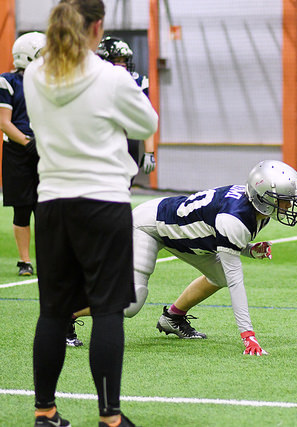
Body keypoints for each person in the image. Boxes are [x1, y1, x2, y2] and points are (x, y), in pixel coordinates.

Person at [23, 0, 158, 425]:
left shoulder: (33, 74)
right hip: (103, 204)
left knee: (52, 311)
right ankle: (110, 418)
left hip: (52, 205)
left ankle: (45, 412)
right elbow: (147, 125)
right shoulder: (112, 77)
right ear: (97, 28)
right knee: (106, 310)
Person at [128, 160, 297, 356]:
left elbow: (222, 236)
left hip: (183, 236)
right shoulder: (235, 218)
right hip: (149, 226)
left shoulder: (256, 209)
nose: (289, 205)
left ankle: (172, 318)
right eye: (284, 199)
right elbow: (236, 281)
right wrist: (248, 336)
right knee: (132, 304)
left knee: (220, 277)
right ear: (263, 197)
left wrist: (249, 250)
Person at [0, 32, 45, 277]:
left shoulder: (48, 81)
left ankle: (50, 258)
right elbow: (4, 122)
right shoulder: (8, 81)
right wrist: (28, 143)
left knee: (47, 208)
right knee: (22, 208)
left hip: (45, 149)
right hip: (18, 152)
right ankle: (24, 261)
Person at [97, 36, 156, 176]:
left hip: (128, 140)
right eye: (117, 60)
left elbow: (145, 118)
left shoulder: (136, 81)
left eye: (124, 60)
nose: (122, 64)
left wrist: (149, 152)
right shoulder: (93, 81)